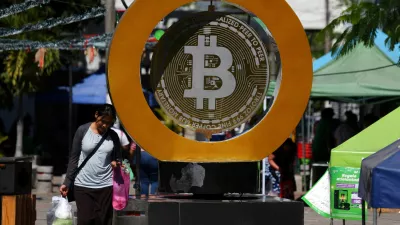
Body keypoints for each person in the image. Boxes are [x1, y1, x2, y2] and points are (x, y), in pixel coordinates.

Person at [60, 104, 122, 225]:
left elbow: (118, 157)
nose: (105, 126)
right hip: (83, 185)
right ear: (96, 115)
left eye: (109, 123)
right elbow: (74, 158)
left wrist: (117, 163)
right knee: (86, 220)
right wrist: (67, 182)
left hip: (105, 187)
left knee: (103, 221)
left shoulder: (113, 136)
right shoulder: (82, 130)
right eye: (103, 121)